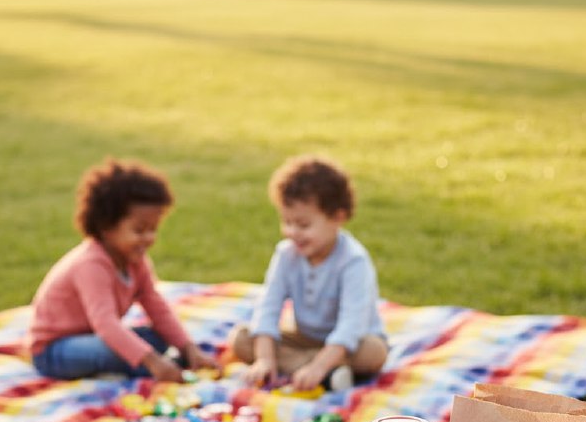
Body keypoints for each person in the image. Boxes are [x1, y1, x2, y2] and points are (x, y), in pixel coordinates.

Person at [27, 158, 218, 381]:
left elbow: (157, 307)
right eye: (139, 230)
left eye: (153, 229)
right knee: (117, 348)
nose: (149, 238)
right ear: (107, 227)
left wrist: (188, 347)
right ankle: (156, 369)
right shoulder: (91, 264)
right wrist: (153, 361)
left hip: (94, 337)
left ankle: (166, 362)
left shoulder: (136, 260)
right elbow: (106, 324)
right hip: (54, 351)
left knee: (158, 336)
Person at [229, 155, 388, 392]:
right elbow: (268, 307)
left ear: (338, 218)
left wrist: (319, 366)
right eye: (286, 222)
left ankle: (318, 368)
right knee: (241, 339)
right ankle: (328, 373)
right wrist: (265, 359)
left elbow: (350, 326)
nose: (293, 232)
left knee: (374, 353)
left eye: (303, 225)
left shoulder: (354, 261)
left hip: (351, 344)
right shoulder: (286, 255)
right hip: (305, 338)